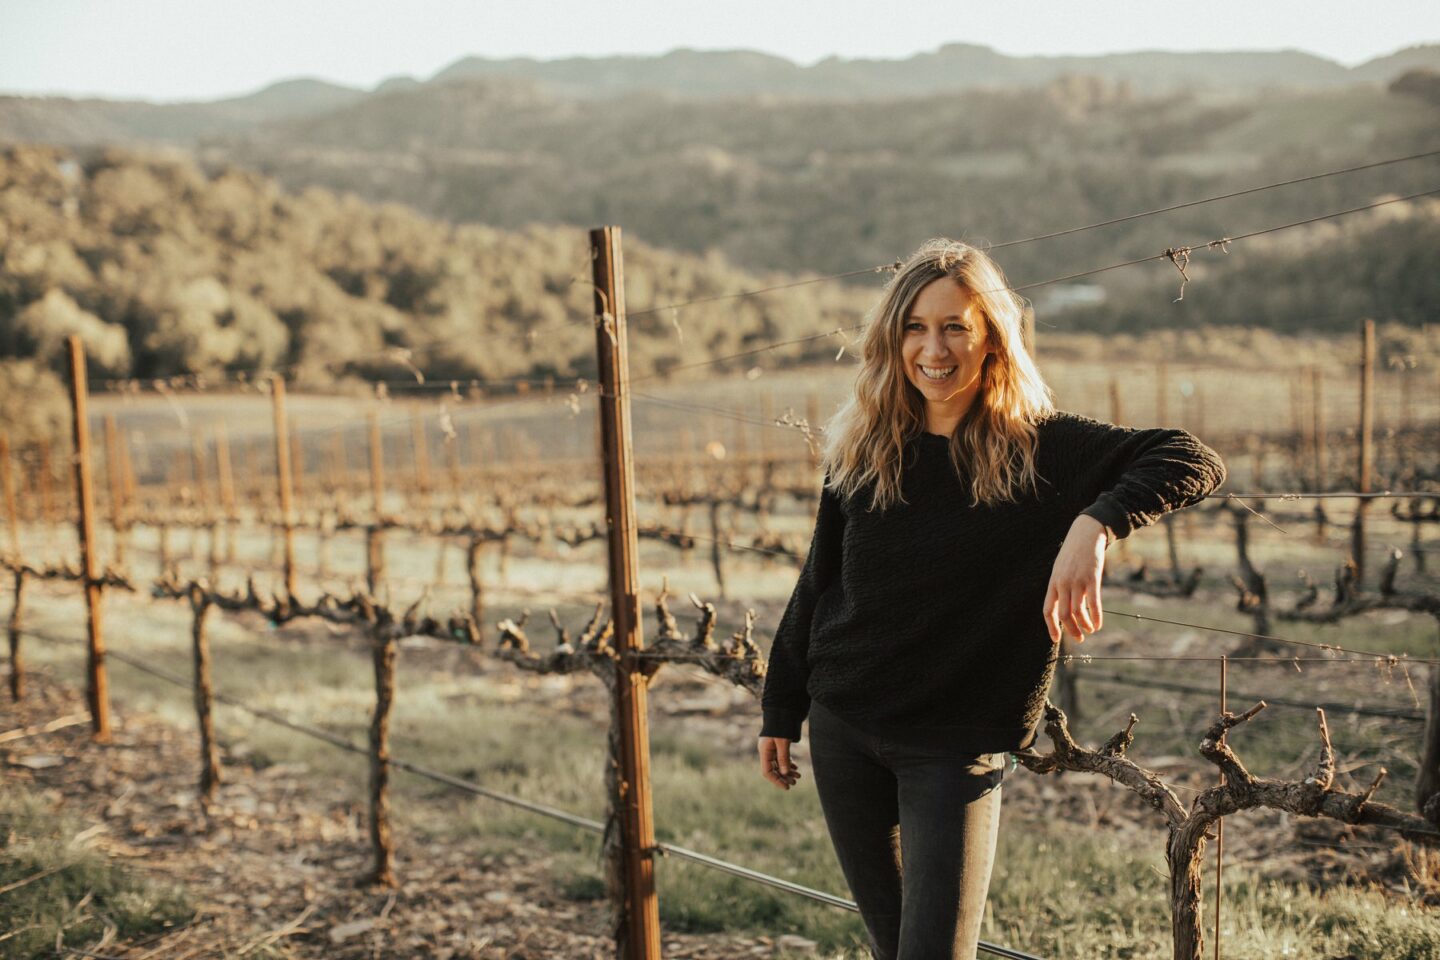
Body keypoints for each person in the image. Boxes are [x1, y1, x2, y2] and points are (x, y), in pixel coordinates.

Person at [756, 238, 1226, 960]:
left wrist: (1095, 524)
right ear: (892, 340)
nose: (932, 348)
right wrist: (781, 708)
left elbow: (1191, 457)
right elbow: (819, 583)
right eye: (914, 326)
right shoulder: (865, 449)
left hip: (953, 748)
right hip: (844, 729)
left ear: (993, 340)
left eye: (955, 327)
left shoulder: (1041, 449)